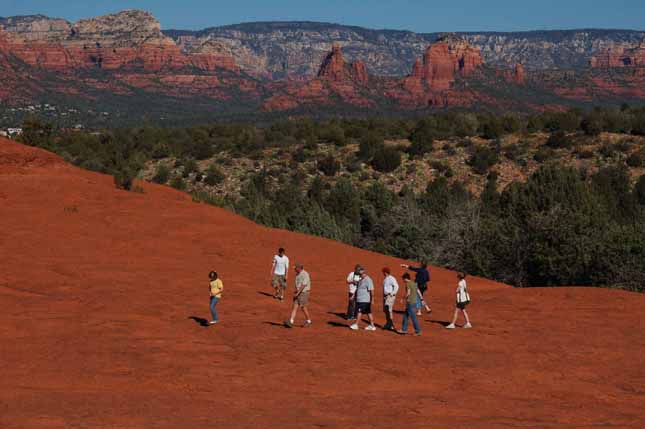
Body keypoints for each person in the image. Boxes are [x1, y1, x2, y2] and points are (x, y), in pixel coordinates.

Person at [284, 264, 312, 328]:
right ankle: (291, 321)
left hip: (304, 293)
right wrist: (296, 292)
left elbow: (303, 285)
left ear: (299, 268)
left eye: (295, 268)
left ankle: (309, 321)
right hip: (298, 293)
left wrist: (297, 293)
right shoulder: (297, 274)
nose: (294, 269)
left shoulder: (305, 274)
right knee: (295, 306)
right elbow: (297, 285)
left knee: (303, 307)